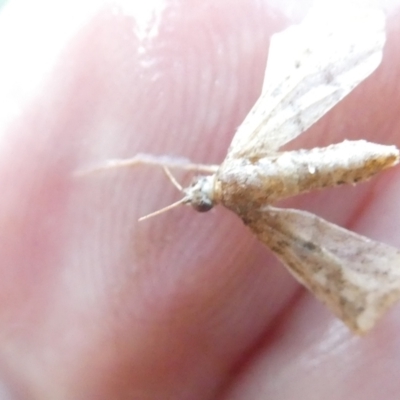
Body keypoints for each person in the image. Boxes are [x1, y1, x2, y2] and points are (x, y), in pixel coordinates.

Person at [0, 0, 399, 398]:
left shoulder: (256, 218)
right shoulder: (241, 152)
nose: (198, 193)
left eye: (201, 197)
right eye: (201, 197)